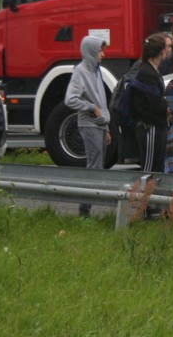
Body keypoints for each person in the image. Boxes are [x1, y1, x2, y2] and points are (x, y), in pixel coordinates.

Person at [64, 35, 111, 217]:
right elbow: (71, 99)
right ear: (91, 52)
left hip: (99, 125)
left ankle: (88, 209)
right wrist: (91, 108)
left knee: (98, 167)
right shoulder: (80, 71)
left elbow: (102, 101)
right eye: (100, 51)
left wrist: (106, 127)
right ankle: (84, 211)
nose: (103, 54)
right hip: (89, 124)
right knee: (94, 167)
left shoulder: (97, 70)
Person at [132, 33, 169, 173]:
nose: (167, 51)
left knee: (157, 166)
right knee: (149, 169)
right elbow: (153, 103)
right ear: (160, 51)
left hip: (156, 125)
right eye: (166, 48)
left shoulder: (152, 70)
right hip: (150, 127)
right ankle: (143, 193)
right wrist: (167, 107)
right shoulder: (147, 73)